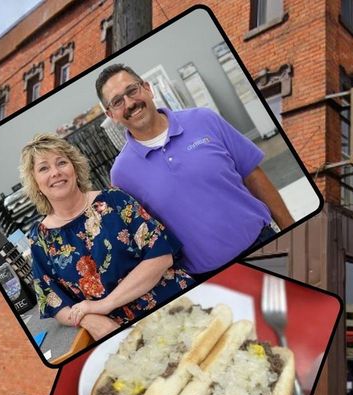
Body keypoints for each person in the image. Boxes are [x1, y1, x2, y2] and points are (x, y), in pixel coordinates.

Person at [95, 64, 295, 279]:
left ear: (147, 88)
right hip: (209, 277)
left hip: (265, 245)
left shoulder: (203, 120)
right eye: (117, 101)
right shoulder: (122, 174)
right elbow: (149, 240)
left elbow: (253, 175)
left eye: (132, 90)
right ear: (111, 114)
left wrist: (293, 233)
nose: (130, 103)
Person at [21, 133, 193, 340]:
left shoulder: (114, 200)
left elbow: (161, 256)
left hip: (173, 304)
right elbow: (54, 302)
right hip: (117, 333)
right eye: (44, 168)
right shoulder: (39, 239)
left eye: (61, 163)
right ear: (36, 183)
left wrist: (103, 305)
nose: (56, 172)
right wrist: (87, 318)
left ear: (74, 168)